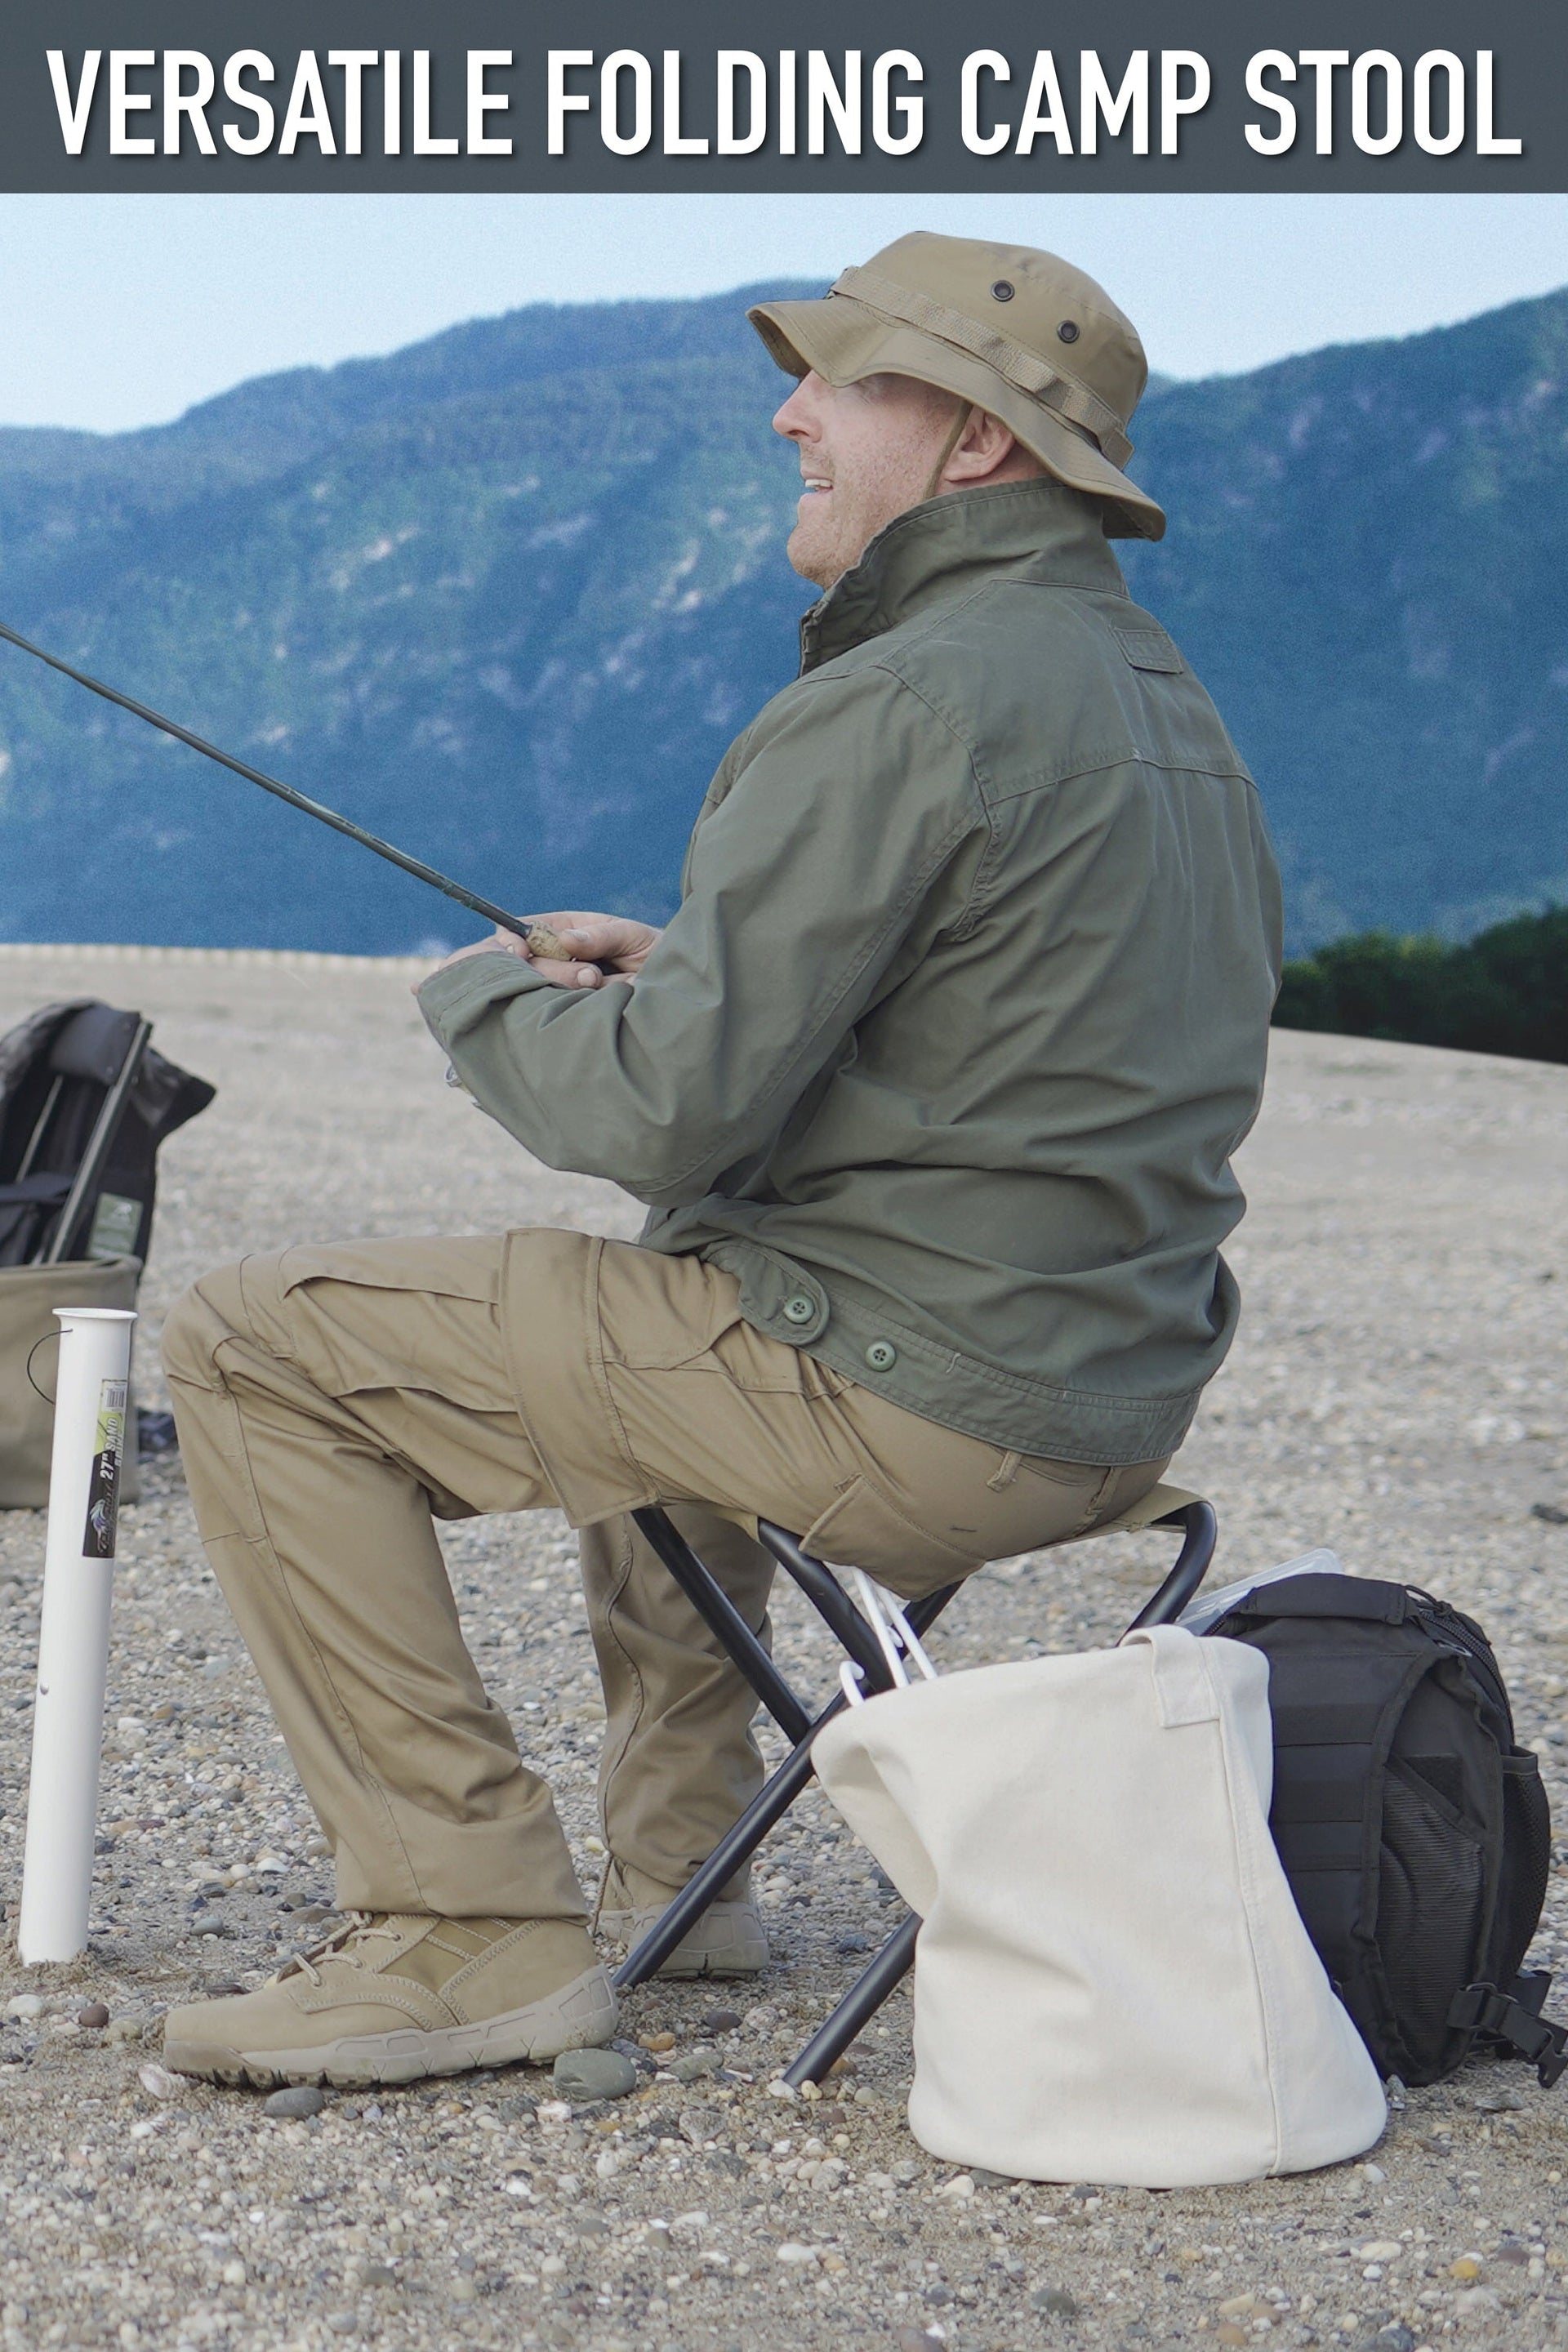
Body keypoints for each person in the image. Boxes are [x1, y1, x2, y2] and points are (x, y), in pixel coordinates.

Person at [159, 232, 1282, 2089]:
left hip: (918, 1408)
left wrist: (486, 1004)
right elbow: (1028, 1025)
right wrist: (689, 972)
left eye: (839, 382)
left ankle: (464, 1937)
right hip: (1104, 1402)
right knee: (667, 1312)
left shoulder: (901, 698)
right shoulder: (1163, 709)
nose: (792, 412)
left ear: (978, 444)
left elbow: (659, 1116)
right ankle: (697, 1873)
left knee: (253, 1342)